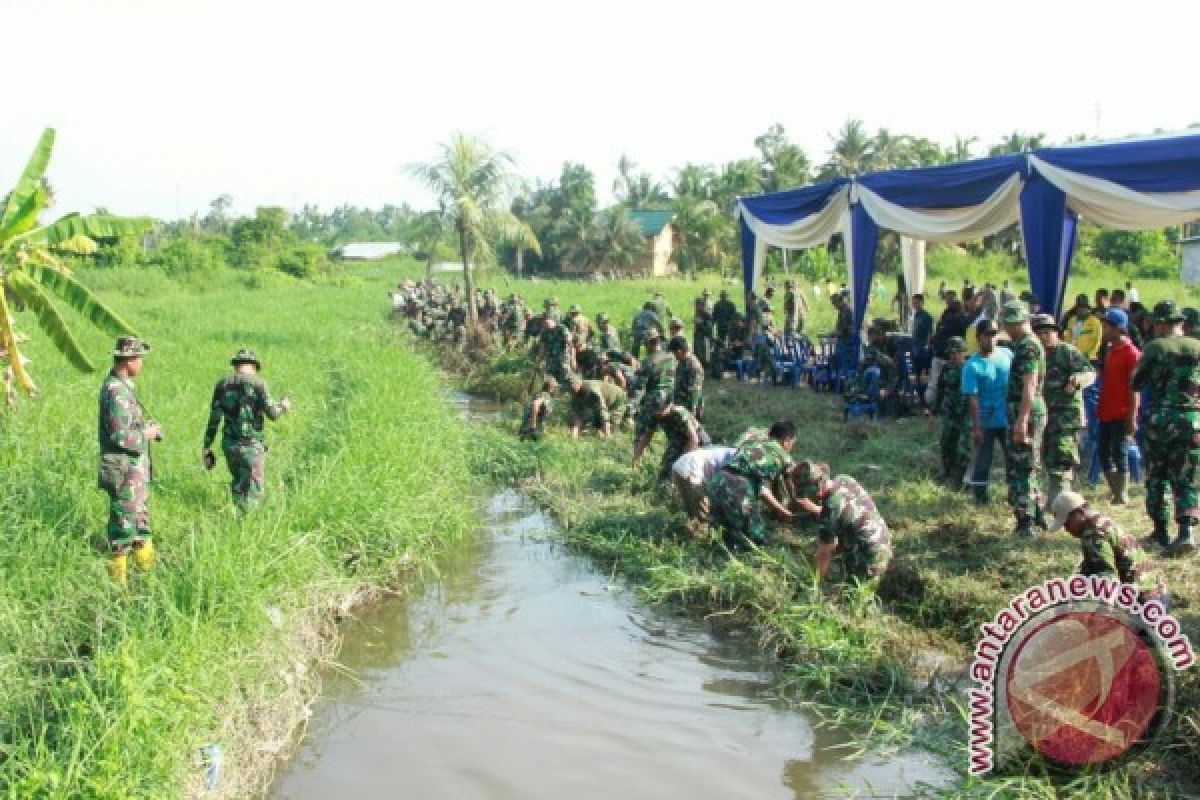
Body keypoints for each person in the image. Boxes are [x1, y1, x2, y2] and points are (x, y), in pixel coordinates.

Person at [1132, 300, 1200, 555]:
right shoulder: (1197, 347)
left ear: (1160, 324)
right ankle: (1186, 532)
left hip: (1161, 420)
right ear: (1181, 322)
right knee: (1186, 477)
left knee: (1158, 476)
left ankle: (1160, 531)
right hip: (1193, 420)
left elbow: (1136, 383)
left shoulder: (1155, 348)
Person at [97, 336, 161, 584]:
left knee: (140, 523)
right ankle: (118, 590)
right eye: (139, 359)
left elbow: (126, 425)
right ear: (129, 360)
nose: (141, 364)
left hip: (133, 470)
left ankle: (147, 580)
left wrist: (145, 427)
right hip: (124, 470)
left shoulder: (123, 388)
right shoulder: (116, 392)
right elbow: (118, 435)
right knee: (123, 528)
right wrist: (146, 434)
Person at [202, 348, 292, 510]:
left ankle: (238, 522)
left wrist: (207, 446)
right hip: (251, 446)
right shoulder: (259, 384)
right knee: (253, 491)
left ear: (236, 366)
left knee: (238, 485)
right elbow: (273, 414)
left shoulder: (222, 385)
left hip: (229, 445)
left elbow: (214, 419)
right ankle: (249, 526)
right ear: (255, 366)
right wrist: (284, 406)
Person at [1048, 492, 1166, 605]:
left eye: (1067, 523)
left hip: (1143, 601)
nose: (1066, 529)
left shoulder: (1093, 533)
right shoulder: (1102, 522)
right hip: (1157, 594)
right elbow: (1090, 570)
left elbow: (1106, 576)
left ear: (1080, 512)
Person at [1032, 314, 1095, 508]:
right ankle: (1053, 501)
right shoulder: (1035, 355)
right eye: (1040, 333)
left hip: (1066, 416)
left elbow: (1090, 373)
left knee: (1061, 458)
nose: (1044, 337)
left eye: (1047, 332)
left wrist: (1077, 380)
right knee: (1044, 459)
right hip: (1043, 414)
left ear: (1056, 333)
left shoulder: (1067, 351)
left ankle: (1060, 505)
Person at [794, 461, 892, 583]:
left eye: (809, 495)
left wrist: (815, 584)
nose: (810, 499)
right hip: (884, 542)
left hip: (871, 559)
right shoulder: (844, 479)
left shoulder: (830, 510)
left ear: (818, 488)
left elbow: (824, 553)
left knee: (851, 591)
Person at [706, 421, 796, 545]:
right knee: (754, 533)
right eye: (792, 444)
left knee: (719, 530)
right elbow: (789, 484)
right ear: (786, 440)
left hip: (718, 479)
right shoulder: (783, 456)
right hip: (739, 486)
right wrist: (787, 506)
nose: (791, 448)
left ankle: (713, 557)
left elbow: (760, 487)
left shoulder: (752, 446)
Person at [1002, 302, 1047, 537]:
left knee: (1022, 468)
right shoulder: (1024, 344)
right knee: (1029, 464)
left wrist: (1021, 420)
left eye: (1009, 324)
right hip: (1025, 410)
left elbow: (1029, 385)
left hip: (1025, 411)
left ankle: (1026, 521)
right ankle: (1037, 513)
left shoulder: (1028, 346)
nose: (1006, 329)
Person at [962, 319, 1013, 505]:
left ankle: (1015, 496)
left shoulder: (1007, 355)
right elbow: (972, 399)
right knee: (983, 460)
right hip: (986, 420)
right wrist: (977, 427)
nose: (990, 340)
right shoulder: (972, 366)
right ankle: (980, 497)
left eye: (993, 335)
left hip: (1008, 417)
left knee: (1014, 459)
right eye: (986, 336)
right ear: (978, 338)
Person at [1097, 308, 1140, 505]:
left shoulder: (1132, 354)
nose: (1103, 330)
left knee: (1119, 452)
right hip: (1106, 411)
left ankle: (1122, 494)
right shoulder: (1110, 350)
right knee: (1103, 452)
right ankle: (1115, 490)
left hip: (1122, 412)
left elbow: (1135, 389)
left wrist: (1132, 417)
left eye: (1107, 326)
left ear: (1118, 329)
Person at [631, 394, 708, 483]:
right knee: (666, 467)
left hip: (698, 441)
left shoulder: (679, 414)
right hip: (679, 440)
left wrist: (683, 460)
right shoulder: (656, 414)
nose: (658, 415)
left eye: (660, 412)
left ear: (669, 405)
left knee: (686, 471)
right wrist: (637, 457)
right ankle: (664, 487)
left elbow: (694, 439)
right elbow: (647, 435)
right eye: (656, 413)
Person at [930, 336, 970, 488]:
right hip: (950, 412)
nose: (954, 356)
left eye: (957, 353)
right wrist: (933, 412)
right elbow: (940, 391)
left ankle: (962, 478)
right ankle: (947, 472)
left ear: (963, 352)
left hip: (967, 413)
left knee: (964, 446)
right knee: (947, 441)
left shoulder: (969, 368)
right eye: (951, 353)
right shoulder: (947, 368)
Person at [672, 446, 737, 532]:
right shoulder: (738, 457)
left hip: (679, 464)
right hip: (693, 469)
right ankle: (698, 542)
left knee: (692, 514)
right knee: (703, 518)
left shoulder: (725, 450)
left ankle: (682, 538)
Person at [668, 336, 704, 418]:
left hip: (688, 406)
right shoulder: (683, 361)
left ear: (679, 351)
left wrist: (691, 414)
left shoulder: (694, 367)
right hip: (680, 400)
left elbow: (694, 393)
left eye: (673, 353)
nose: (673, 356)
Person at [537, 315, 575, 383]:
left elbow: (571, 345)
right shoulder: (544, 332)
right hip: (551, 360)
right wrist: (539, 360)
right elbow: (542, 348)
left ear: (552, 320)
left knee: (566, 378)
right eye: (543, 322)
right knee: (550, 379)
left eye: (546, 321)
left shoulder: (562, 329)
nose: (545, 323)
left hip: (563, 358)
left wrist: (573, 359)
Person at [910, 293, 934, 377]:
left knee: (922, 372)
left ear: (922, 303)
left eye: (917, 303)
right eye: (914, 303)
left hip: (922, 348)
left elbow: (930, 333)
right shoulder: (916, 315)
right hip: (915, 347)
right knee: (915, 370)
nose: (915, 305)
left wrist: (927, 346)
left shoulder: (927, 317)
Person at [692, 289, 715, 367]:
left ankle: (705, 363)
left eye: (698, 305)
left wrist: (701, 325)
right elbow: (696, 321)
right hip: (699, 333)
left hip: (704, 333)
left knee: (705, 348)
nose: (696, 306)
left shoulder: (706, 312)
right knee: (698, 348)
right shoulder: (698, 312)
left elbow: (709, 321)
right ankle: (700, 361)